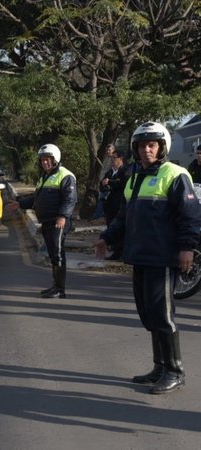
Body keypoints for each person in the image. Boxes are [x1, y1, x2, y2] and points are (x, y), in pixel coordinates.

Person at [94, 122, 201, 395]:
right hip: (140, 256)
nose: (146, 150)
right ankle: (159, 366)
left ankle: (175, 371)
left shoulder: (175, 174)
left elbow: (189, 216)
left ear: (162, 146)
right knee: (149, 315)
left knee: (164, 316)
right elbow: (122, 217)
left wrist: (187, 248)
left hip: (163, 258)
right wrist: (106, 237)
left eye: (152, 145)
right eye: (142, 145)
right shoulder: (134, 177)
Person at [9, 144, 77, 298]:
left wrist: (63, 216)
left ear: (55, 159)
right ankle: (55, 286)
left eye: (48, 160)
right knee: (53, 255)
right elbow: (36, 198)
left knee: (58, 254)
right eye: (42, 160)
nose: (45, 163)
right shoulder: (45, 176)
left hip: (58, 222)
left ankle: (60, 289)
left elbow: (70, 199)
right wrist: (20, 203)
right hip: (47, 221)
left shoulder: (65, 175)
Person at [99, 149, 129, 260]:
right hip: (109, 204)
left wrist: (110, 182)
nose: (112, 160)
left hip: (120, 203)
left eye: (114, 158)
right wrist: (103, 184)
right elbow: (102, 184)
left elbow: (123, 183)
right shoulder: (110, 171)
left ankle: (121, 252)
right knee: (111, 226)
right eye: (111, 158)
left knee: (120, 228)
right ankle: (115, 251)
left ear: (120, 159)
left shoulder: (125, 170)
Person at [91, 144, 115, 220]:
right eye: (107, 150)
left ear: (113, 150)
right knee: (101, 199)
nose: (108, 151)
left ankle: (98, 215)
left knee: (103, 199)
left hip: (108, 182)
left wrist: (109, 181)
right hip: (102, 182)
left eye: (109, 150)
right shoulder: (106, 158)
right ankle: (100, 215)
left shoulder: (114, 159)